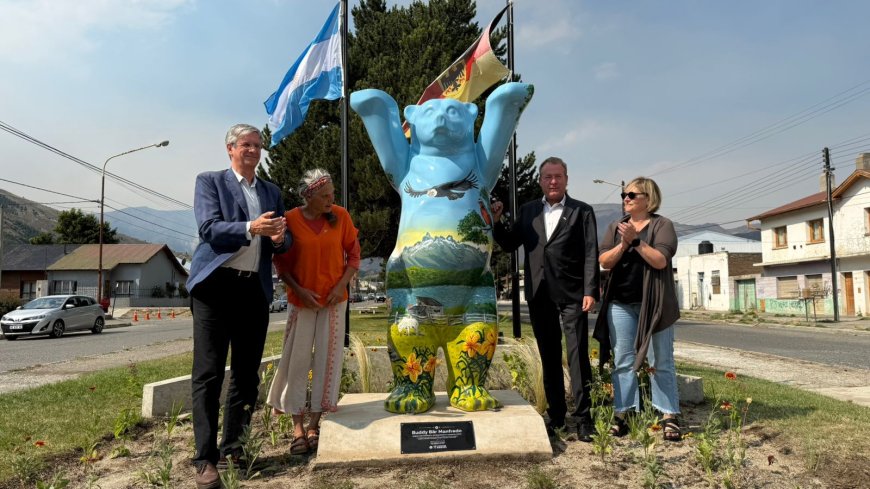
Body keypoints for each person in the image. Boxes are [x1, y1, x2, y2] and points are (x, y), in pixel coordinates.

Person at [187, 123, 291, 489]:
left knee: (246, 376)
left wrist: (279, 237)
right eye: (245, 144)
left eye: (257, 145)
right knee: (209, 373)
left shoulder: (271, 191)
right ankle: (204, 459)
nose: (252, 150)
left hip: (253, 291)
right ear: (230, 149)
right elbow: (210, 229)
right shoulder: (210, 182)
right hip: (215, 289)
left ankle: (236, 448)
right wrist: (251, 227)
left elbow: (283, 240)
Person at [492, 156, 599, 442]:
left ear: (566, 179)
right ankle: (557, 415)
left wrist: (590, 290)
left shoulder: (582, 212)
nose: (553, 181)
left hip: (574, 295)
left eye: (558, 176)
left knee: (578, 358)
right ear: (541, 180)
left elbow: (591, 253)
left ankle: (584, 418)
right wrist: (497, 220)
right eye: (548, 177)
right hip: (540, 295)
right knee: (549, 357)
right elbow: (508, 243)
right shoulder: (528, 212)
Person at [267, 168, 360, 455]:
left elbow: (354, 256)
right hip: (301, 301)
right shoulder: (291, 220)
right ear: (309, 197)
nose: (331, 199)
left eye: (332, 194)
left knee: (327, 362)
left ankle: (315, 425)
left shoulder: (341, 216)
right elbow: (281, 264)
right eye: (324, 196)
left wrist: (340, 287)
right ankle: (297, 428)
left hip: (334, 302)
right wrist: (300, 290)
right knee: (297, 362)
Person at [593, 176, 682, 441]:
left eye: (632, 195)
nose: (626, 199)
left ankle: (668, 415)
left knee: (660, 361)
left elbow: (660, 261)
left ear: (648, 198)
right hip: (620, 303)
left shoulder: (662, 225)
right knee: (623, 361)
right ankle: (624, 413)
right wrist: (623, 243)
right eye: (624, 195)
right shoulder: (616, 227)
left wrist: (636, 241)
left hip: (653, 305)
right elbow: (604, 261)